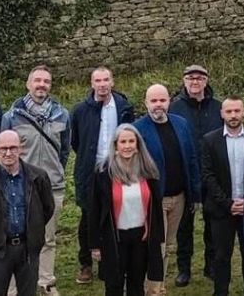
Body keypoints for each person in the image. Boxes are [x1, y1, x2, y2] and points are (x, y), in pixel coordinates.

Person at [0, 65, 70, 296]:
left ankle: (46, 282)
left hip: (52, 186)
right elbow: (3, 152)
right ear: (28, 84)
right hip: (20, 187)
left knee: (48, 238)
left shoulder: (62, 114)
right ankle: (13, 288)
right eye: (37, 80)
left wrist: (54, 172)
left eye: (46, 81)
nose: (42, 85)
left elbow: (64, 150)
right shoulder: (11, 116)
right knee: (15, 238)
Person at [0, 130, 56, 296]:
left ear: (21, 149)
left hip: (27, 249)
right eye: (3, 148)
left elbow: (47, 208)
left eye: (13, 148)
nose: (8, 153)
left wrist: (34, 229)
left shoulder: (38, 176)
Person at [130, 84, 201, 295]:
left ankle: (158, 287)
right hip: (154, 199)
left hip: (179, 197)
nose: (158, 105)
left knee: (168, 246)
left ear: (169, 101)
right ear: (146, 103)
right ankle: (150, 289)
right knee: (155, 247)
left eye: (162, 100)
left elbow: (191, 159)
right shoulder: (137, 129)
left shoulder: (181, 124)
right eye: (154, 101)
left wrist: (195, 193)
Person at [71, 65, 136, 285]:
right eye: (97, 81)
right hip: (90, 172)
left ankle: (109, 262)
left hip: (117, 169)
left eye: (105, 80)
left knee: (114, 214)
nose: (102, 85)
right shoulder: (80, 110)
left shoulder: (124, 107)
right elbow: (76, 141)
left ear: (112, 82)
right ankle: (86, 263)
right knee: (88, 217)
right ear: (92, 84)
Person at [90, 124, 166, 296]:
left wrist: (158, 237)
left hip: (141, 237)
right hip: (114, 238)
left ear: (138, 145)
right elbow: (94, 210)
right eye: (123, 142)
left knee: (137, 284)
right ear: (115, 146)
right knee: (114, 285)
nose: (127, 146)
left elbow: (155, 208)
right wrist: (95, 245)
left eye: (131, 141)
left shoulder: (148, 171)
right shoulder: (103, 173)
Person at [199, 96, 244, 296]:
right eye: (229, 111)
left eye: (237, 111)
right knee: (221, 257)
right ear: (222, 114)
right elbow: (207, 175)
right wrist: (227, 203)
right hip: (221, 209)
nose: (233, 115)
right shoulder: (210, 140)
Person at [169, 64, 222, 286]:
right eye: (190, 78)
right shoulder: (174, 108)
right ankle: (184, 268)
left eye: (199, 78)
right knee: (184, 226)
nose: (195, 82)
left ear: (206, 81)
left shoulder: (218, 107)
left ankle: (211, 265)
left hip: (213, 173)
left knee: (213, 223)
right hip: (184, 174)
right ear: (184, 81)